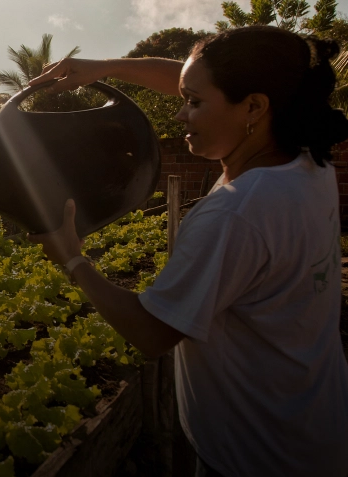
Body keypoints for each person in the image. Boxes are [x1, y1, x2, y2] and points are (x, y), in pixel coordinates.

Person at [28, 26, 348, 477]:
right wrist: (109, 68)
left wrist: (72, 259)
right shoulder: (307, 162)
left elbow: (153, 332)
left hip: (257, 454)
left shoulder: (235, 214)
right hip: (311, 424)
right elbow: (205, 84)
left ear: (255, 106)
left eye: (193, 103)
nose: (180, 115)